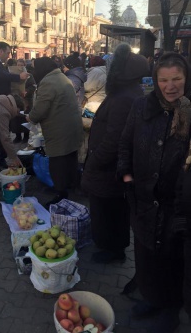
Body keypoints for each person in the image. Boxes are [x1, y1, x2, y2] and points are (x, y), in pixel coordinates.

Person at [117, 52, 191, 333]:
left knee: (173, 261)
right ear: (155, 80)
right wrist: (127, 177)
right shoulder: (140, 107)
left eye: (177, 79)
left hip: (177, 206)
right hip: (144, 200)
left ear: (186, 78)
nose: (170, 86)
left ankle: (170, 310)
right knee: (147, 257)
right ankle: (152, 298)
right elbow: (125, 143)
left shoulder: (189, 110)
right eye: (164, 79)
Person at [81, 44, 149, 264]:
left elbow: (114, 139)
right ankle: (112, 246)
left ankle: (113, 250)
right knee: (111, 211)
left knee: (107, 212)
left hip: (107, 170)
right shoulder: (126, 93)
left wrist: (94, 161)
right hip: (110, 169)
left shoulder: (124, 98)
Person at [27, 57, 82, 208]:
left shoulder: (48, 82)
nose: (33, 72)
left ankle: (61, 194)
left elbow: (40, 111)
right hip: (71, 127)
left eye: (34, 69)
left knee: (57, 163)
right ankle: (72, 187)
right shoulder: (61, 77)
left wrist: (29, 117)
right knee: (70, 158)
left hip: (59, 130)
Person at [0, 42, 29, 171]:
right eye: (8, 53)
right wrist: (18, 77)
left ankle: (0, 158)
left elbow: (2, 79)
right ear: (1, 51)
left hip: (0, 102)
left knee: (2, 131)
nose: (9, 56)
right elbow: (0, 76)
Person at [9, 59, 36, 143]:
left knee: (25, 118)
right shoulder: (13, 75)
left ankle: (26, 136)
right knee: (16, 118)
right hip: (16, 100)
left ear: (24, 66)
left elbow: (33, 86)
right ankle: (18, 136)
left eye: (21, 65)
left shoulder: (29, 75)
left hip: (26, 100)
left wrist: (26, 91)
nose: (19, 66)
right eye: (18, 65)